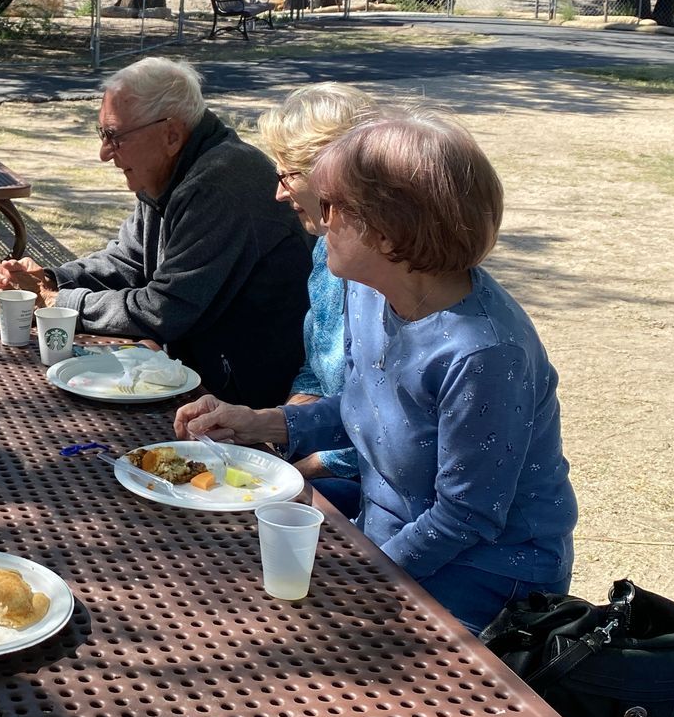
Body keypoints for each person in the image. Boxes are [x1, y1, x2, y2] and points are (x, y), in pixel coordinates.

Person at [176, 110, 577, 633]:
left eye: (330, 206)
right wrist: (259, 422)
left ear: (389, 230)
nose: (319, 221)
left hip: (485, 578)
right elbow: (373, 408)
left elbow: (467, 517)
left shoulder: (485, 353)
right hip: (385, 535)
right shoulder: (368, 292)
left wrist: (355, 579)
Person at [0, 57, 311, 407]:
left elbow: (164, 310)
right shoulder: (168, 171)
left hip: (247, 403)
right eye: (102, 134)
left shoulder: (220, 183)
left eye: (115, 136)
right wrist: (49, 278)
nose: (104, 153)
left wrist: (54, 302)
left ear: (170, 134)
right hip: (198, 382)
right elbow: (127, 260)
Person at [257, 81, 371, 514]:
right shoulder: (326, 247)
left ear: (331, 178)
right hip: (332, 465)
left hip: (369, 486)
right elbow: (315, 373)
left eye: (287, 175)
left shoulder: (387, 274)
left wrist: (301, 465)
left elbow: (394, 427)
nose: (279, 193)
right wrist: (275, 434)